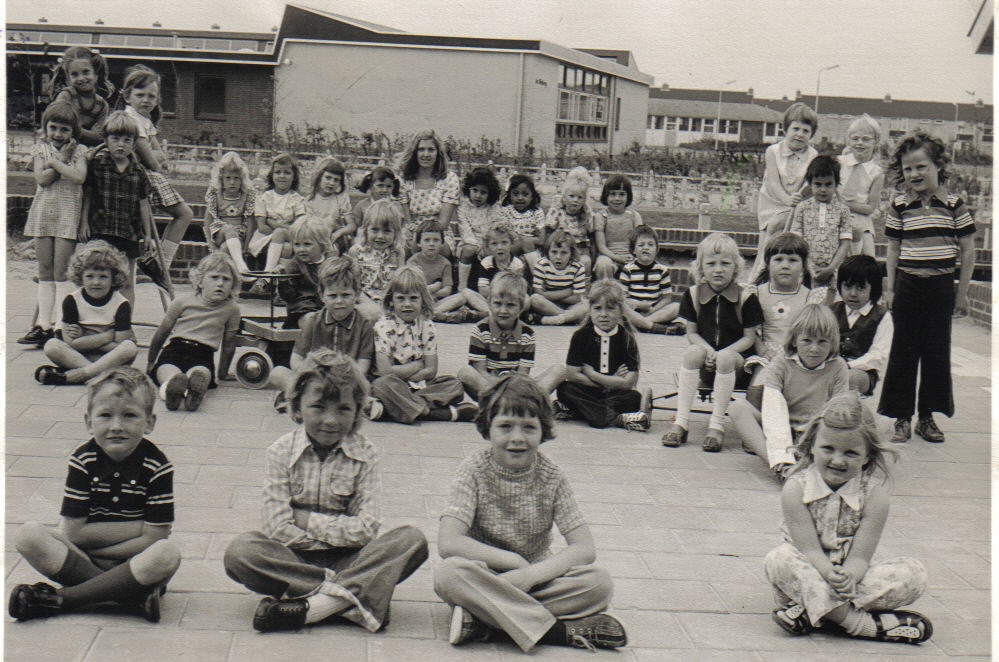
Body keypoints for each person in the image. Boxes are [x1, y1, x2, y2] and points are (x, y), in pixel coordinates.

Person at [223, 349, 429, 633]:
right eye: (319, 407)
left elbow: (366, 529)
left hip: (350, 558)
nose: (331, 420)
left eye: (343, 409)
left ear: (358, 410)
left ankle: (315, 607)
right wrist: (330, 539)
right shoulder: (281, 451)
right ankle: (355, 595)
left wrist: (305, 520)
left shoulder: (365, 453)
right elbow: (276, 527)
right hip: (294, 560)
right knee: (241, 552)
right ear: (296, 407)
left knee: (412, 540)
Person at [434, 374, 627, 653]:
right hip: (486, 576)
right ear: (488, 429)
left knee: (599, 584)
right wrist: (513, 562)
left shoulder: (552, 476)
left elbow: (584, 548)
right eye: (505, 426)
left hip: (533, 580)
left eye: (528, 427)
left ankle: (483, 620)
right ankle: (557, 632)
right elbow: (449, 542)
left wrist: (532, 575)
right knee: (448, 573)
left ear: (543, 431)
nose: (517, 438)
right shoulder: (473, 469)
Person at [9, 367, 180, 623]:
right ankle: (131, 598)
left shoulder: (157, 466)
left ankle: (63, 599)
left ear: (150, 422)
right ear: (89, 422)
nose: (116, 426)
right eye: (105, 415)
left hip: (134, 562)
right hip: (86, 556)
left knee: (166, 554)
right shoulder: (83, 460)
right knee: (28, 535)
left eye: (130, 415)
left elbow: (156, 538)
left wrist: (106, 545)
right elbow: (74, 533)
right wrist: (139, 529)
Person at [764, 391, 931, 644]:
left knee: (914, 574)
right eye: (828, 449)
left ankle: (814, 613)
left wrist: (850, 575)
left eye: (851, 453)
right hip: (811, 570)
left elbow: (861, 556)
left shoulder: (875, 496)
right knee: (779, 559)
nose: (838, 460)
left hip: (853, 581)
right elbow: (808, 549)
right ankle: (862, 624)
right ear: (811, 447)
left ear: (868, 456)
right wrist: (828, 573)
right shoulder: (796, 488)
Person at [877, 131, 976, 444]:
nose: (914, 174)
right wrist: (890, 289)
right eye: (908, 169)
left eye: (921, 167)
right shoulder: (900, 205)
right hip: (907, 286)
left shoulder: (954, 205)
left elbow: (968, 250)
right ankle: (901, 418)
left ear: (938, 166)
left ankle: (927, 417)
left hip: (941, 287)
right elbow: (892, 250)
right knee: (903, 353)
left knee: (936, 352)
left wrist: (962, 293)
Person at [662, 233, 763, 452]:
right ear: (701, 267)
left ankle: (716, 426)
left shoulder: (745, 297)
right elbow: (692, 332)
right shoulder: (693, 294)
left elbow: (749, 338)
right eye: (711, 264)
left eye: (725, 264)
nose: (718, 269)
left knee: (726, 357)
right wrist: (708, 351)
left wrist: (721, 353)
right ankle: (681, 421)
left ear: (736, 267)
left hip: (735, 363)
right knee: (692, 353)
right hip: (707, 359)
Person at [729, 304, 848, 482]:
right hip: (782, 426)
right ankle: (781, 467)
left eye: (822, 342)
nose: (814, 349)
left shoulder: (838, 367)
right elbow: (773, 409)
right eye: (807, 340)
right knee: (737, 408)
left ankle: (811, 461)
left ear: (832, 343)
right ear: (794, 340)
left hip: (816, 431)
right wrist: (780, 455)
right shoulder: (781, 364)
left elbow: (839, 410)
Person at [18, 102, 88, 348]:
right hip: (43, 215)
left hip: (67, 215)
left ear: (73, 132)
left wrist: (59, 162)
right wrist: (61, 161)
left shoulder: (79, 151)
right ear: (45, 128)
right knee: (45, 271)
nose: (58, 134)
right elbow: (42, 179)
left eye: (64, 130)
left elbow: (79, 177)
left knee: (62, 272)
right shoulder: (40, 149)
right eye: (53, 128)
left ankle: (61, 325)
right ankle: (43, 325)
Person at [269, 256, 375, 414]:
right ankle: (331, 402)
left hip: (348, 381)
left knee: (371, 385)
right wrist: (311, 373)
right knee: (277, 373)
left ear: (357, 293)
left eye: (345, 295)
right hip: (316, 380)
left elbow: (362, 366)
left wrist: (342, 378)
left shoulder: (364, 325)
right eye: (332, 296)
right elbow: (296, 359)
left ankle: (303, 401)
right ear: (321, 295)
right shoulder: (312, 322)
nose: (339, 301)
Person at [369, 267, 476, 424]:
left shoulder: (427, 326)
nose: (407, 304)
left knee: (454, 385)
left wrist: (409, 375)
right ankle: (440, 414)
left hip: (421, 387)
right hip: (394, 386)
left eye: (413, 298)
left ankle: (393, 410)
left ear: (422, 299)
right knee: (380, 386)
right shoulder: (384, 326)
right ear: (391, 300)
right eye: (401, 298)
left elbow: (431, 370)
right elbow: (385, 372)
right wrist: (418, 365)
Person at [117, 65, 194, 270]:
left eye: (151, 96)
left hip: (149, 174)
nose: (146, 100)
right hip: (141, 176)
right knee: (184, 214)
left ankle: (161, 263)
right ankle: (161, 263)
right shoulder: (131, 118)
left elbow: (161, 157)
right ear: (127, 96)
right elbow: (152, 161)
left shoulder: (145, 120)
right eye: (140, 95)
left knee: (184, 214)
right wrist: (156, 158)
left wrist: (156, 157)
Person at [146, 253, 241, 412]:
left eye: (226, 279)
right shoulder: (182, 301)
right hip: (174, 350)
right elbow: (162, 333)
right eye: (214, 277)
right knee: (166, 371)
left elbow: (229, 344)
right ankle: (173, 387)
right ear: (200, 281)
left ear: (233, 285)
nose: (220, 283)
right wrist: (151, 361)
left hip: (203, 355)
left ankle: (193, 390)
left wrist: (222, 373)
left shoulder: (231, 309)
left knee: (201, 374)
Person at [36, 241, 138, 386]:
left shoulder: (121, 303)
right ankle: (102, 376)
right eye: (90, 276)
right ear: (80, 277)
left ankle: (81, 375)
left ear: (114, 278)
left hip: (110, 357)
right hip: (78, 356)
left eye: (103, 276)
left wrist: (85, 338)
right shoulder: (72, 300)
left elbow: (120, 344)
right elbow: (71, 343)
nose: (96, 282)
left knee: (129, 348)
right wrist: (109, 335)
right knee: (52, 345)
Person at [556, 279, 652, 431]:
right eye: (597, 308)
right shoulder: (581, 335)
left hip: (613, 394)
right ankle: (617, 418)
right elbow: (572, 374)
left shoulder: (627, 338)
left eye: (610, 309)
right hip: (587, 390)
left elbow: (629, 382)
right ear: (590, 310)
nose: (603, 315)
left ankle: (584, 412)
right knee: (565, 389)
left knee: (633, 398)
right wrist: (611, 380)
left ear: (621, 311)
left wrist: (592, 374)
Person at [78, 111, 153, 304]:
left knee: (126, 281)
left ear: (134, 143)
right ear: (106, 140)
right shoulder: (97, 164)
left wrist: (148, 234)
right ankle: (98, 317)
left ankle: (124, 324)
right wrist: (84, 223)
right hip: (101, 230)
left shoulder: (138, 172)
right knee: (98, 276)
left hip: (128, 233)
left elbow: (144, 204)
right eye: (115, 139)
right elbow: (89, 195)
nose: (121, 145)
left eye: (127, 140)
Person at [458, 271, 564, 401]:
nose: (503, 310)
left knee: (559, 370)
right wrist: (502, 386)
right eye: (498, 303)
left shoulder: (527, 334)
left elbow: (523, 375)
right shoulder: (480, 330)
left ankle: (506, 403)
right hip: (489, 387)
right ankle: (515, 404)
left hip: (518, 386)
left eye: (510, 305)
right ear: (489, 303)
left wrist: (513, 388)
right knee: (465, 373)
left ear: (521, 307)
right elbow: (480, 371)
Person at [744, 232, 823, 389]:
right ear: (768, 263)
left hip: (798, 353)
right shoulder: (756, 294)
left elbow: (811, 330)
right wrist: (764, 351)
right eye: (778, 260)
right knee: (760, 379)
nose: (785, 266)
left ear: (803, 265)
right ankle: (755, 411)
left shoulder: (810, 296)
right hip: (766, 352)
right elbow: (752, 330)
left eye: (793, 260)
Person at [752, 102, 818, 280]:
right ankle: (758, 276)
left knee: (792, 241)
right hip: (773, 201)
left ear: (811, 135)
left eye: (806, 131)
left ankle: (795, 279)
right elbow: (773, 182)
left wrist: (798, 198)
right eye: (795, 129)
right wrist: (787, 200)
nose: (799, 134)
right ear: (786, 130)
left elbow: (809, 184)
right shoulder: (772, 151)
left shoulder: (813, 155)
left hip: (797, 203)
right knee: (769, 235)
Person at [788, 155, 852, 304]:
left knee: (830, 305)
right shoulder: (802, 208)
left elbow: (845, 243)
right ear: (810, 184)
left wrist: (831, 268)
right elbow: (796, 241)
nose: (823, 189)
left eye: (828, 184)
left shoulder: (843, 210)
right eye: (818, 184)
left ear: (836, 184)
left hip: (833, 268)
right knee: (804, 303)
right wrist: (808, 265)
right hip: (806, 268)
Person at [436, 224, 526, 321]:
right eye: (494, 244)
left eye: (504, 243)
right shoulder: (487, 262)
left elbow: (518, 291)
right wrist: (503, 290)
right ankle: (435, 313)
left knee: (527, 300)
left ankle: (485, 315)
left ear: (511, 244)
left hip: (509, 303)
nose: (500, 247)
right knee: (466, 292)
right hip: (489, 302)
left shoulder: (517, 264)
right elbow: (483, 290)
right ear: (488, 247)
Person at [832, 255, 893, 396]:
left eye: (861, 288)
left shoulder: (882, 316)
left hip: (862, 370)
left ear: (873, 288)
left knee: (851, 379)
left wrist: (847, 366)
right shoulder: (832, 310)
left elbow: (877, 355)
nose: (853, 294)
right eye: (847, 286)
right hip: (829, 366)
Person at [397, 129, 460, 253]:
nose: (426, 154)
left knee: (440, 249)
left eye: (431, 150)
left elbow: (443, 223)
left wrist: (424, 239)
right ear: (414, 152)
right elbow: (407, 219)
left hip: (438, 233)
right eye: (421, 149)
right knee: (405, 249)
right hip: (411, 231)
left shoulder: (449, 179)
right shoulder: (404, 178)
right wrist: (414, 237)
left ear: (438, 153)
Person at [249, 153, 307, 278]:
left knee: (286, 244)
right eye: (278, 172)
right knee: (285, 246)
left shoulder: (297, 199)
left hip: (288, 237)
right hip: (264, 238)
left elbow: (298, 227)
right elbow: (262, 227)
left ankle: (272, 279)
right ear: (272, 175)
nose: (282, 176)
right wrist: (281, 229)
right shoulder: (264, 197)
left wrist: (274, 224)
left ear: (294, 176)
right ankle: (271, 278)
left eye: (287, 172)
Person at [347, 198, 406, 322]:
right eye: (375, 230)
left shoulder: (397, 252)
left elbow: (399, 283)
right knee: (369, 314)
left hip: (389, 300)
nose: (380, 236)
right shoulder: (356, 252)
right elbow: (354, 286)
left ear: (396, 233)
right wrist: (371, 305)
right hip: (363, 300)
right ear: (366, 229)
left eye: (387, 231)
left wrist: (387, 302)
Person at [47, 46, 115, 147]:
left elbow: (100, 137)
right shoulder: (66, 96)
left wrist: (74, 129)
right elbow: (61, 129)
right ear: (68, 78)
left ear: (96, 73)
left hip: (86, 152)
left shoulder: (102, 105)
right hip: (61, 148)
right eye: (74, 74)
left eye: (86, 72)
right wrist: (87, 133)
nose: (81, 78)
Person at [617, 225, 680, 333]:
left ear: (656, 249)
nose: (646, 248)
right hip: (633, 310)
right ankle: (652, 326)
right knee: (621, 307)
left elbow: (667, 298)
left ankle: (642, 324)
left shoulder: (662, 270)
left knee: (676, 307)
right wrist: (636, 305)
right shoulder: (628, 270)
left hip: (653, 311)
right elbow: (623, 297)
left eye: (650, 245)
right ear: (634, 250)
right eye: (641, 245)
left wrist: (652, 310)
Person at [276, 217, 334, 330]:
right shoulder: (294, 265)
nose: (301, 249)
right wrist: (283, 280)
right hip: (303, 309)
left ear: (322, 244)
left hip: (327, 305)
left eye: (307, 244)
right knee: (312, 320)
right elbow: (289, 296)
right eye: (297, 245)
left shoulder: (331, 262)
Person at [204, 151, 257, 274]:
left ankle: (225, 279)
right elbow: (207, 222)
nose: (232, 182)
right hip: (219, 232)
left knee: (225, 248)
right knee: (228, 229)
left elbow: (250, 223)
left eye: (236, 178)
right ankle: (241, 266)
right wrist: (210, 244)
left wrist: (246, 245)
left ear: (242, 180)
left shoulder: (246, 195)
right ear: (221, 179)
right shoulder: (215, 195)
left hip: (239, 234)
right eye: (228, 178)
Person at [839, 114, 884, 257]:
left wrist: (845, 203)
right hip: (836, 214)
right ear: (848, 140)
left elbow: (870, 208)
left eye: (866, 139)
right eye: (855, 139)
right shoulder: (839, 163)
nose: (860, 143)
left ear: (876, 142)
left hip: (861, 217)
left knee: (868, 257)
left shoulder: (876, 173)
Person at [455, 166, 502, 291]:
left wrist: (486, 246)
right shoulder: (464, 207)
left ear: (489, 194)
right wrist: (477, 246)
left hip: (489, 242)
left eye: (483, 192)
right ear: (468, 189)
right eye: (475, 190)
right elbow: (465, 230)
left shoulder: (493, 208)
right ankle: (462, 286)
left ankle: (492, 287)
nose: (478, 195)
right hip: (470, 241)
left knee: (495, 251)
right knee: (468, 250)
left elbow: (494, 228)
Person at [530, 230, 588, 326]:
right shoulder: (541, 265)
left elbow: (577, 298)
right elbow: (539, 293)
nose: (558, 257)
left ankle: (558, 319)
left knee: (586, 305)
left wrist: (548, 294)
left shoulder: (578, 267)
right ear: (548, 252)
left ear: (571, 253)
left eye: (564, 252)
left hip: (571, 306)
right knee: (534, 299)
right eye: (554, 252)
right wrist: (568, 292)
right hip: (549, 305)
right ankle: (569, 319)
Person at [543, 167, 594, 276]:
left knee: (586, 262)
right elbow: (548, 233)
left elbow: (591, 234)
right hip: (560, 249)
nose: (575, 200)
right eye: (571, 196)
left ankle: (584, 287)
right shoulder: (556, 212)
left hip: (580, 249)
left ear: (584, 200)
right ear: (564, 197)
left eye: (580, 197)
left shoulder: (586, 214)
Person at [593, 174, 643, 280]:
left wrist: (634, 256)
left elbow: (640, 241)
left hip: (630, 255)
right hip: (608, 256)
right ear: (605, 196)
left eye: (622, 194)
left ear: (628, 196)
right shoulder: (601, 216)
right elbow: (601, 247)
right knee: (603, 264)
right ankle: (607, 293)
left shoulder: (634, 216)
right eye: (612, 194)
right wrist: (618, 258)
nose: (617, 198)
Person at [497, 173, 547, 272]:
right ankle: (538, 276)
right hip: (511, 249)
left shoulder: (537, 212)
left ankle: (537, 277)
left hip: (531, 251)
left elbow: (541, 240)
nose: (520, 198)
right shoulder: (505, 211)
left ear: (532, 196)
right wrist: (525, 240)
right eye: (515, 193)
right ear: (510, 195)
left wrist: (523, 240)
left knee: (527, 244)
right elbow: (503, 236)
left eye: (525, 194)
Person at [306, 157, 356, 255]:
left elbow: (352, 226)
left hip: (336, 237)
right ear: (319, 177)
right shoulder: (310, 200)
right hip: (315, 236)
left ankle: (330, 267)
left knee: (332, 250)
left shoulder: (341, 199)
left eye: (336, 180)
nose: (331, 183)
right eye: (328, 178)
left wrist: (339, 232)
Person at [348, 165, 400, 243]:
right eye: (380, 185)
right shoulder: (362, 205)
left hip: (388, 242)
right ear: (370, 185)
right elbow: (356, 229)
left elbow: (399, 229)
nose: (385, 190)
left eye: (389, 186)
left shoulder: (395, 206)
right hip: (366, 241)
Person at [406, 220, 454, 303]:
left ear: (442, 243)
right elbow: (411, 287)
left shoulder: (445, 264)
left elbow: (447, 290)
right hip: (417, 300)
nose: (431, 244)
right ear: (419, 243)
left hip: (437, 299)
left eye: (436, 240)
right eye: (427, 240)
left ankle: (438, 311)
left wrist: (432, 294)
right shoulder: (413, 261)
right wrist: (434, 287)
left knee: (460, 298)